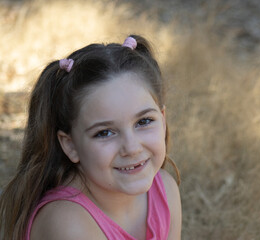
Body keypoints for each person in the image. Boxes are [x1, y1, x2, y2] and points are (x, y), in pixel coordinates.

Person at [0, 35, 182, 240]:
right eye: (104, 132)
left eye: (144, 121)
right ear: (71, 145)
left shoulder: (164, 189)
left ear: (163, 119)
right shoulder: (68, 224)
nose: (132, 148)